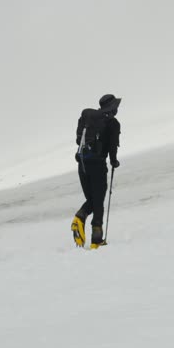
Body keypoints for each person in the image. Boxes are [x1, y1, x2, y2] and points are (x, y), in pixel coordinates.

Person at [71, 94, 121, 248]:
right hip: (98, 166)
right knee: (98, 203)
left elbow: (79, 141)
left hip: (83, 164)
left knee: (92, 201)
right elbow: (112, 147)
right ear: (112, 108)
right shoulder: (113, 123)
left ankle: (79, 218)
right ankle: (96, 240)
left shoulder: (89, 120)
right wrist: (114, 161)